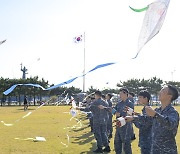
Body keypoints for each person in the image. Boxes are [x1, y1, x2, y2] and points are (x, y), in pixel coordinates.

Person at [145, 84, 179, 154]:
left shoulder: (173, 112)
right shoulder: (157, 110)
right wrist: (133, 118)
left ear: (169, 96)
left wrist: (155, 115)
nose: (159, 92)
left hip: (167, 150)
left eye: (163, 91)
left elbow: (170, 124)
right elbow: (147, 119)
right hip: (155, 149)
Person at [114, 88, 134, 154]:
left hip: (126, 127)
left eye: (121, 94)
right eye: (119, 94)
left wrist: (121, 117)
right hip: (119, 126)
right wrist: (115, 113)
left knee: (126, 145)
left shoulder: (130, 104)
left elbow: (129, 115)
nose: (120, 95)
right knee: (117, 144)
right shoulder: (119, 104)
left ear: (126, 94)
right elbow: (114, 110)